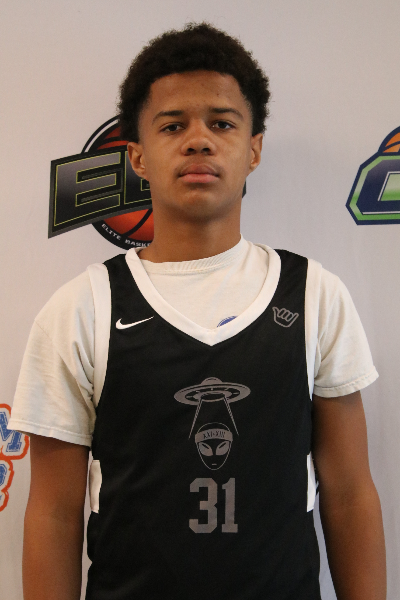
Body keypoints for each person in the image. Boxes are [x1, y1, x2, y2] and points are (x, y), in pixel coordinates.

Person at [10, 22, 386, 600]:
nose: (198, 141)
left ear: (253, 148)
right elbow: (54, 513)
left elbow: (349, 492)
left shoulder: (315, 295)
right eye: (172, 125)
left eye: (222, 123)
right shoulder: (81, 309)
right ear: (137, 156)